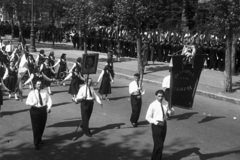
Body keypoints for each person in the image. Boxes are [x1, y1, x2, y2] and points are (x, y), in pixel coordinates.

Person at [145, 90, 175, 160]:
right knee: (159, 145)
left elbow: (172, 113)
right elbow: (147, 117)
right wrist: (157, 123)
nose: (160, 98)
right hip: (156, 126)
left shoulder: (166, 103)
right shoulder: (152, 105)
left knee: (160, 144)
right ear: (156, 96)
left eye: (161, 96)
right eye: (158, 96)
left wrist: (170, 109)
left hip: (164, 125)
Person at [26, 80, 52, 150]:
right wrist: (33, 103)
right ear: (35, 85)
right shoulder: (32, 93)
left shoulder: (44, 92)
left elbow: (49, 100)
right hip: (35, 110)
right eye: (37, 84)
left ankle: (39, 139)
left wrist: (49, 107)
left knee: (42, 126)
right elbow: (27, 102)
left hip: (43, 110)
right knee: (36, 127)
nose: (39, 85)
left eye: (40, 84)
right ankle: (36, 143)